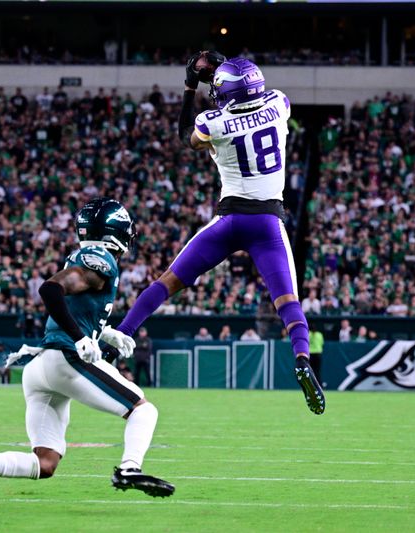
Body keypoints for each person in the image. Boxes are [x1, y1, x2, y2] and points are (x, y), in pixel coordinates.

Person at [114, 53, 324, 415]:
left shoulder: (215, 123)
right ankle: (302, 358)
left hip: (229, 221)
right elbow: (246, 91)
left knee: (166, 283)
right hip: (268, 223)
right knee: (287, 301)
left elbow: (186, 136)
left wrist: (190, 87)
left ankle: (119, 338)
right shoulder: (279, 103)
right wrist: (228, 71)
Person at [0, 198, 173, 511]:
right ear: (114, 231)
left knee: (45, 462)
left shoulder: (87, 259)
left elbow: (76, 306)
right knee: (144, 411)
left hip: (41, 370)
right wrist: (80, 338)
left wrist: (104, 333)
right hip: (66, 360)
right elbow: (50, 291)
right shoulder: (101, 258)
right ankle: (129, 468)